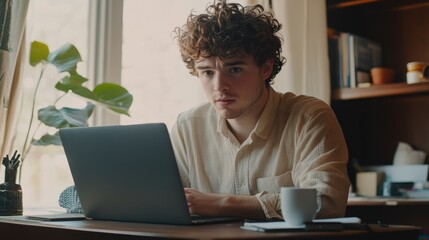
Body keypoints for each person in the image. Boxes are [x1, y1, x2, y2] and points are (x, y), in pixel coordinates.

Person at [171, 1, 350, 220]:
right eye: (207, 72)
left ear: (265, 68)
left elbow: (325, 203)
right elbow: (166, 203)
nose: (219, 86)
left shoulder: (309, 117)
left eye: (234, 69)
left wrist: (221, 203)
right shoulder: (187, 126)